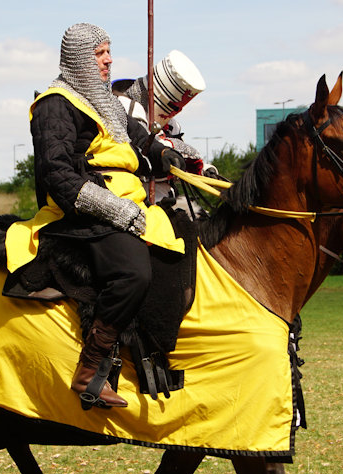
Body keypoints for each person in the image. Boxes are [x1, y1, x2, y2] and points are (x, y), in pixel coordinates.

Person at [29, 23, 185, 409]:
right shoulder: (55, 104)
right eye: (100, 53)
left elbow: (137, 139)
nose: (109, 60)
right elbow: (59, 177)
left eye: (108, 51)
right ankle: (91, 369)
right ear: (79, 58)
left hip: (124, 202)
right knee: (133, 272)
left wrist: (164, 154)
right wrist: (117, 211)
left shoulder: (106, 101)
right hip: (80, 212)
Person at [112, 50, 217, 210]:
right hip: (133, 201)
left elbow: (180, 159)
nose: (175, 112)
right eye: (173, 106)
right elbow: (144, 155)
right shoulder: (125, 109)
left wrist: (204, 170)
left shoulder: (171, 123)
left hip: (167, 199)